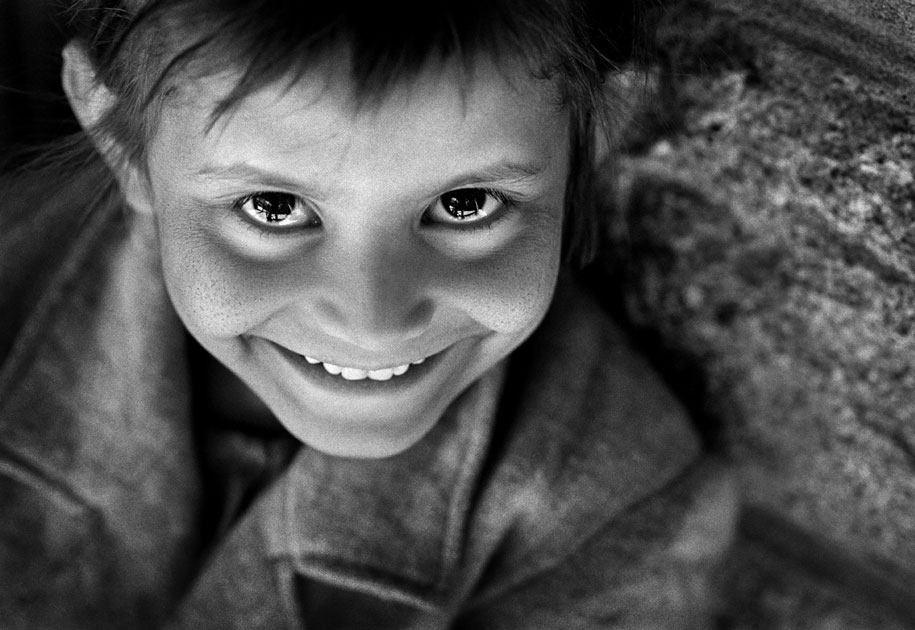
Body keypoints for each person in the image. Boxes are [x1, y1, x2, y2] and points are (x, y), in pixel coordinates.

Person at [0, 0, 737, 628]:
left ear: (593, 133)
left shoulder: (608, 518)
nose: (373, 323)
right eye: (274, 208)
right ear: (121, 142)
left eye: (464, 204)